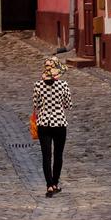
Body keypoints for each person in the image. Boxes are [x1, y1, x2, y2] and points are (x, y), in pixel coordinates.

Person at [32, 56, 72, 198]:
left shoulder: (38, 85)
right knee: (58, 155)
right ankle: (55, 183)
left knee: (46, 156)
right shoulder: (63, 85)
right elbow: (68, 105)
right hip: (59, 123)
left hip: (43, 124)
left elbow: (36, 105)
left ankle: (49, 185)